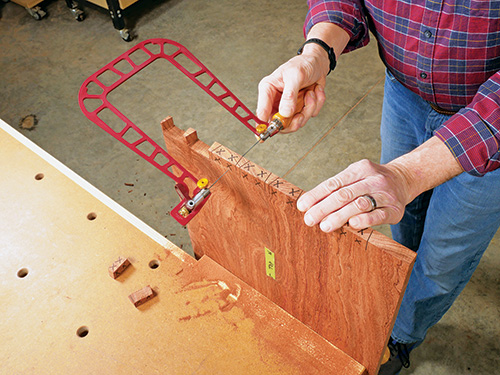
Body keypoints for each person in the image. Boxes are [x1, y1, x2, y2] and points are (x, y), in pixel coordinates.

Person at [256, 1, 500, 374]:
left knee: (442, 259)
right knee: (403, 228)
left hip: (490, 125)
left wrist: (407, 175)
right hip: (404, 93)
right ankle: (395, 299)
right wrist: (319, 50)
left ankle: (400, 338)